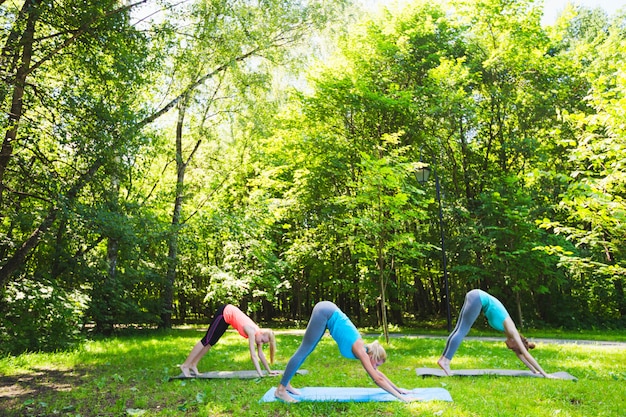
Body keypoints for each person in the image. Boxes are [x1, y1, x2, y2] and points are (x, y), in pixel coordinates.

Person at [274, 301, 412, 403]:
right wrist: (401, 399)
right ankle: (281, 390)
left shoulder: (365, 351)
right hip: (325, 311)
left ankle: (287, 384)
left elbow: (378, 374)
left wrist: (399, 390)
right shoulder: (361, 351)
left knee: (306, 351)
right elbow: (377, 379)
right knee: (304, 350)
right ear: (372, 356)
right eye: (377, 364)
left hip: (327, 312)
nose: (376, 367)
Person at [437, 289, 555, 378]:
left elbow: (522, 356)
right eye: (512, 347)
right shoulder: (512, 331)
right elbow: (527, 355)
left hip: (475, 296)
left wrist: (535, 372)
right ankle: (446, 361)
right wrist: (546, 374)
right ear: (515, 342)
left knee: (459, 329)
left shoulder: (509, 334)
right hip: (478, 298)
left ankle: (443, 359)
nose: (508, 347)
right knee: (462, 331)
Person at [179, 304, 277, 378]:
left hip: (227, 319)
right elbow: (253, 355)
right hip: (224, 313)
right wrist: (260, 374)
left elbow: (260, 354)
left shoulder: (258, 335)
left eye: (264, 343)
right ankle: (185, 365)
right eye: (262, 340)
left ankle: (193, 364)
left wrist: (269, 371)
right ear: (262, 333)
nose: (260, 343)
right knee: (206, 340)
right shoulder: (252, 331)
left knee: (211, 342)